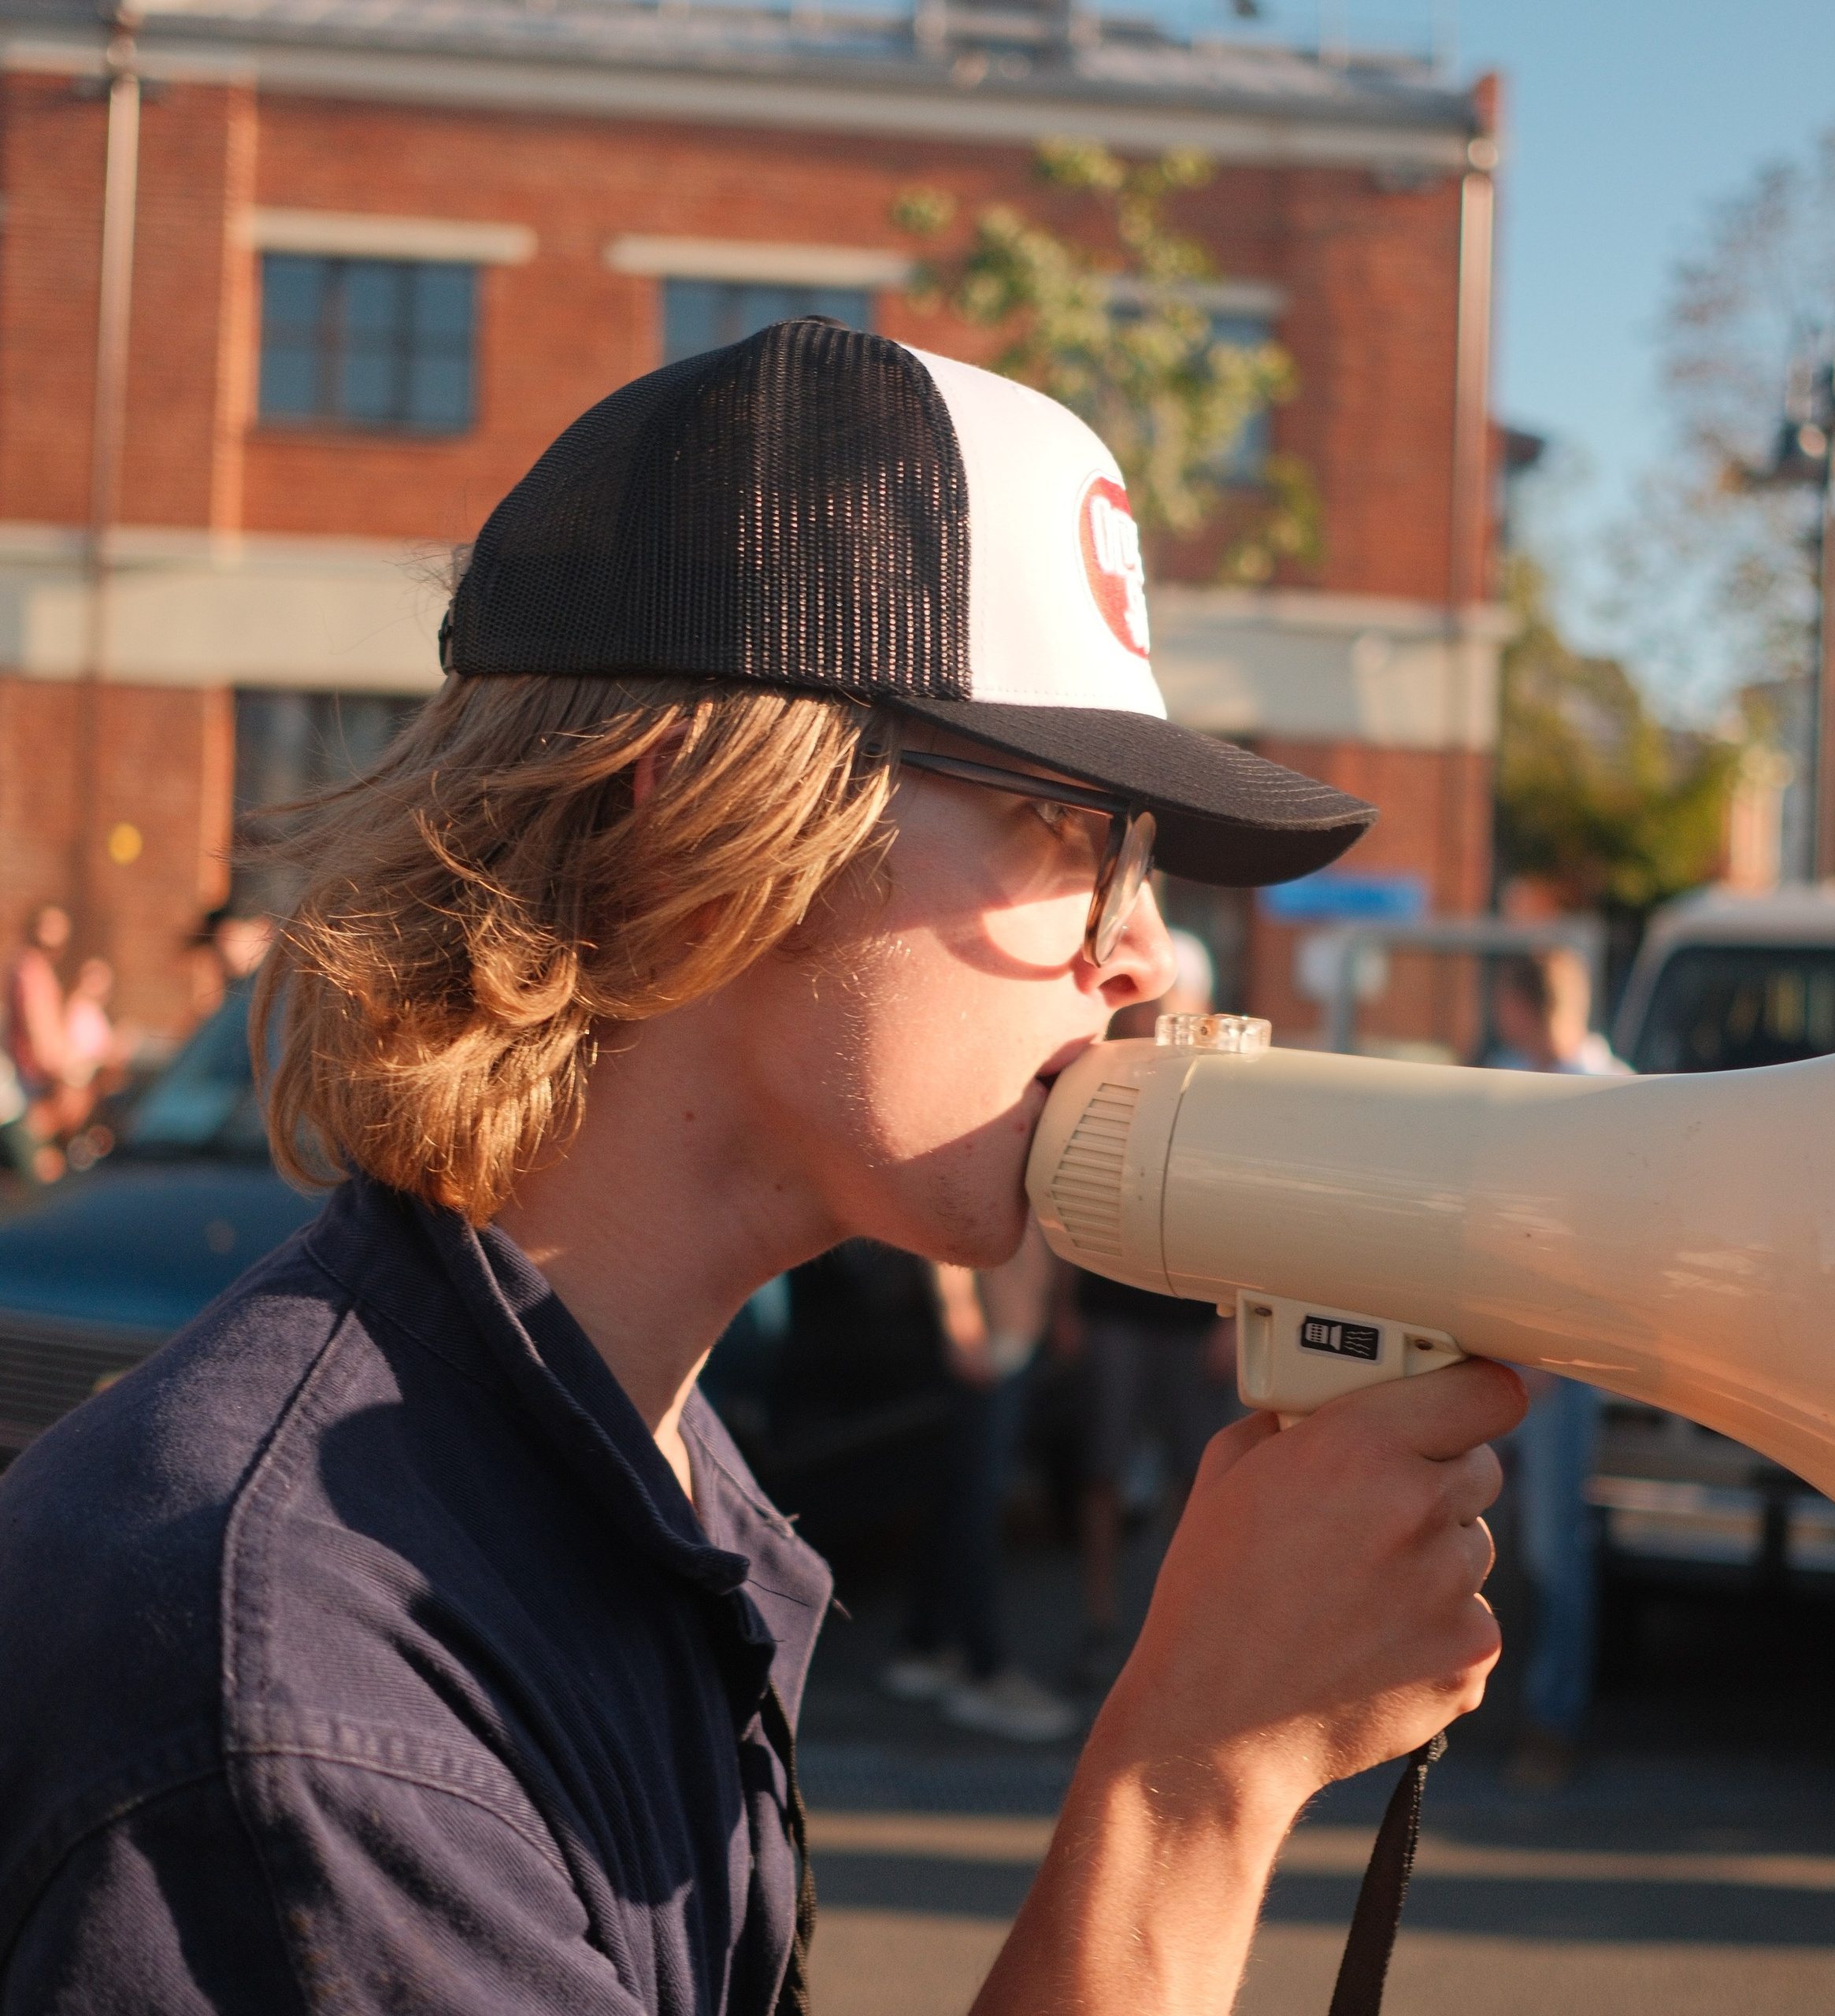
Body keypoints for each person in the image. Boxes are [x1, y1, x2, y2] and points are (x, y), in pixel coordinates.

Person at [0, 321, 1519, 2014]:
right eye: (1070, 830)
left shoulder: (606, 1468)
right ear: (699, 835)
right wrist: (1187, 1793)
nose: (1145, 952)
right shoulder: (309, 1691)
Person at [1059, 928, 1240, 1689]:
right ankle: (1103, 1626)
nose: (1164, 1022)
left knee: (1195, 1483)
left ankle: (1173, 1636)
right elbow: (1068, 1182)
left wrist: (1234, 1319)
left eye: (1179, 1008)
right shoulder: (1108, 1074)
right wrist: (1065, 1306)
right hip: (1113, 1308)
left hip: (1192, 1319)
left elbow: (1249, 1209)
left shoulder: (1229, 1091)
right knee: (1100, 1468)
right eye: (1158, 1009)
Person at [1485, 947, 1629, 1792]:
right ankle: (1512, 1711)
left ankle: (1552, 1721)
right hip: (1516, 1350)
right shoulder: (1526, 1079)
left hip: (1556, 1364)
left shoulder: (1603, 1097)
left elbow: (1598, 1251)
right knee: (1495, 1542)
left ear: (1518, 1003)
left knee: (1552, 1554)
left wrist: (1542, 1350)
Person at [884, 1222, 1077, 1743]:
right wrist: (960, 1322)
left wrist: (1057, 1310)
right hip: (985, 1339)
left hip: (1015, 1331)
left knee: (958, 1496)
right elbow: (947, 1223)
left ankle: (922, 1646)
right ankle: (982, 1670)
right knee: (976, 1505)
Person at [2, 903, 77, 1184]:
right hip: (31, 1081)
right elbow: (37, 1032)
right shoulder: (27, 970)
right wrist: (60, 1072)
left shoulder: (41, 970)